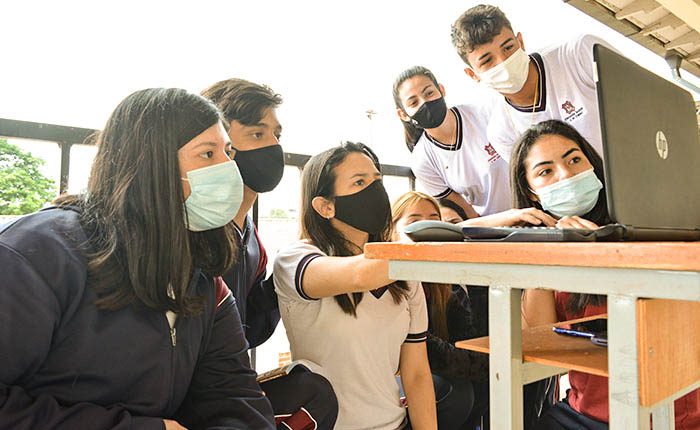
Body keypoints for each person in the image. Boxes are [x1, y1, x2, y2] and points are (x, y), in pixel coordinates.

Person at [0, 88, 275, 429]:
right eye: (207, 154)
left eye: (228, 152)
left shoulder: (204, 280)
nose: (229, 169)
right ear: (151, 166)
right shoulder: (39, 255)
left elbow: (236, 398)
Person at [511, 119, 700, 429]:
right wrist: (545, 250)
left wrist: (605, 246)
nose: (567, 174)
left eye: (574, 159)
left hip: (673, 415)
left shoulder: (646, 222)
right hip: (586, 414)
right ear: (531, 194)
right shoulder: (549, 246)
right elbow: (538, 345)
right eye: (546, 171)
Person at [202, 78, 338, 429]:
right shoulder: (195, 235)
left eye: (277, 135)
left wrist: (288, 276)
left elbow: (249, 330)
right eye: (258, 134)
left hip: (228, 388)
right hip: (192, 399)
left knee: (314, 390)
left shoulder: (253, 242)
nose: (274, 146)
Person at [273, 142, 437, 429]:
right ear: (325, 206)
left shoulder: (404, 274)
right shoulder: (295, 259)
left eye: (377, 180)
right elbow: (361, 274)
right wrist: (415, 246)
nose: (375, 191)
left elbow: (417, 374)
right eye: (359, 182)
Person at [393, 66, 558, 228]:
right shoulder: (422, 161)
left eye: (429, 93)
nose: (424, 103)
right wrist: (501, 226)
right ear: (403, 114)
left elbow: (533, 158)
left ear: (441, 90)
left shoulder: (486, 113)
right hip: (494, 230)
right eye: (414, 102)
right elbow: (466, 213)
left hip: (541, 212)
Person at [451, 4, 607, 162]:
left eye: (508, 47)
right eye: (487, 60)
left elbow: (631, 95)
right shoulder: (502, 132)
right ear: (472, 74)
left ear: (521, 42)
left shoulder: (579, 55)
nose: (503, 62)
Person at [392, 191, 489, 430]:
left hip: (438, 369)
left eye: (434, 220)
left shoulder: (445, 285)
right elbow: (427, 350)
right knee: (457, 393)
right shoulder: (390, 282)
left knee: (492, 383)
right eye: (414, 221)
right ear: (391, 231)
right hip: (396, 374)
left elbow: (468, 339)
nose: (427, 229)